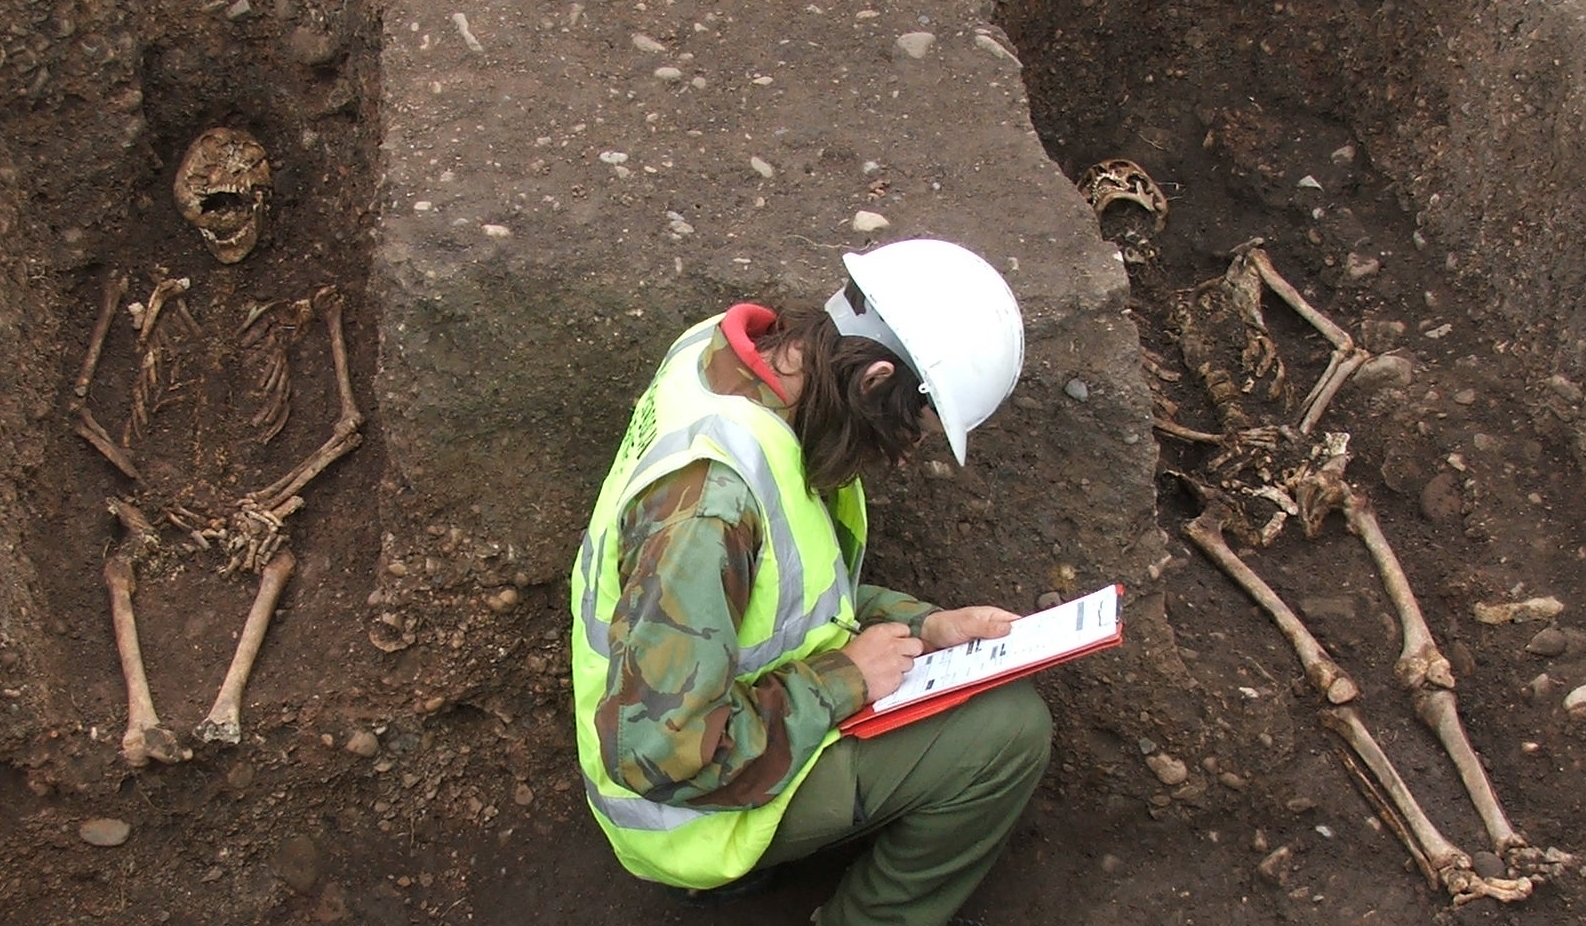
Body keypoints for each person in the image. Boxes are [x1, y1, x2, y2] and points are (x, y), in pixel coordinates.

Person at [569, 238, 1053, 926]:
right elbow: (659, 755)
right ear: (875, 379)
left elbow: (772, 602)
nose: (907, 451)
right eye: (913, 422)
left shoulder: (722, 359)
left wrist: (926, 630)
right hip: (677, 810)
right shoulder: (710, 508)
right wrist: (844, 679)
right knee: (1010, 733)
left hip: (686, 720)